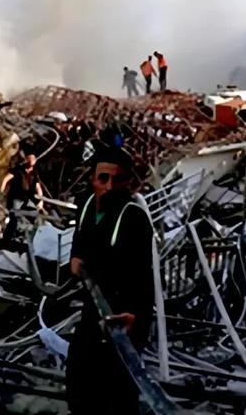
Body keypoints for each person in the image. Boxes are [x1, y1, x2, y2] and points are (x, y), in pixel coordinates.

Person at [66, 143, 154, 415]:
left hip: (125, 313)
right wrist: (76, 256)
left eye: (118, 179)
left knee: (118, 385)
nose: (109, 186)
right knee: (81, 375)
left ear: (128, 182)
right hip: (95, 301)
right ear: (92, 179)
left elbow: (144, 276)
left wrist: (134, 315)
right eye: (103, 178)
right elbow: (80, 236)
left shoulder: (134, 218)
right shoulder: (87, 204)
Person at [0, 152, 43, 241]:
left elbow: (38, 187)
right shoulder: (19, 170)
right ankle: (7, 239)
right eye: (29, 159)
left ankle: (28, 237)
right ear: (26, 160)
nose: (30, 161)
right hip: (16, 197)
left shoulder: (34, 174)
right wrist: (2, 187)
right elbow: (7, 178)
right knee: (13, 218)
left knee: (35, 214)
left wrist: (41, 200)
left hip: (27, 199)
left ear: (35, 161)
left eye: (32, 159)